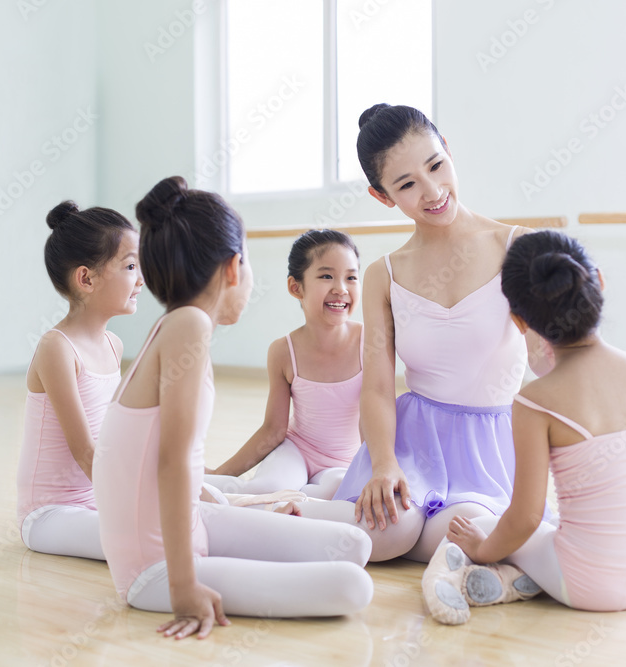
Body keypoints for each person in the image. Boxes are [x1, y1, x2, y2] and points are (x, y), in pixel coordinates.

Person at [94, 176, 374, 641]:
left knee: (354, 544)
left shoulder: (177, 324)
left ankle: (253, 515)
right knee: (352, 587)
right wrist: (185, 586)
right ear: (231, 267)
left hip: (190, 525)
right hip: (157, 568)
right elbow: (173, 461)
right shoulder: (187, 326)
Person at [305, 104, 552, 565]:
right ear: (383, 197)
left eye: (436, 165)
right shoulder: (385, 274)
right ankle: (286, 511)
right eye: (407, 184)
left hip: (488, 450)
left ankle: (329, 501)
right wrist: (384, 464)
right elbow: (377, 388)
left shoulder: (517, 246)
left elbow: (547, 362)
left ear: (449, 152)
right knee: (386, 535)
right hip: (411, 443)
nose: (433, 191)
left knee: (472, 534)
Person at [422, 230, 626, 624]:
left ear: (519, 321)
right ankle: (515, 582)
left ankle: (456, 575)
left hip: (583, 587)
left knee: (482, 527)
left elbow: (525, 517)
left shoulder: (534, 402)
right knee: (558, 527)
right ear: (599, 281)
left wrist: (483, 547)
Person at [16, 200, 142, 560]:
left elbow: (113, 437)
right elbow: (86, 452)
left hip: (99, 501)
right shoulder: (57, 348)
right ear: (86, 278)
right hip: (50, 516)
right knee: (160, 537)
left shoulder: (113, 344)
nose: (141, 279)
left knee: (190, 514)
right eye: (131, 266)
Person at [205, 230, 363, 500]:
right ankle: (215, 489)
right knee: (264, 490)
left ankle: (291, 504)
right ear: (296, 287)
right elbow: (273, 429)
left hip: (343, 463)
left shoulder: (370, 343)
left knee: (341, 493)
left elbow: (382, 419)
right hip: (296, 451)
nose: (341, 288)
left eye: (351, 277)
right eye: (326, 276)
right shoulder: (283, 351)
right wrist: (221, 473)